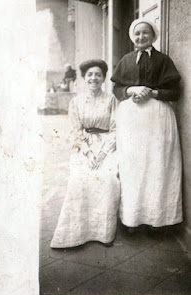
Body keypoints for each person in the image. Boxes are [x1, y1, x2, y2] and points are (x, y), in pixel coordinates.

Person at [111, 18, 183, 232]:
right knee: (133, 165)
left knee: (157, 164)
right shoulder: (125, 60)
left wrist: (152, 92)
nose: (141, 37)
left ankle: (157, 220)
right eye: (137, 34)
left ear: (153, 36)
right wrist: (131, 90)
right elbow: (117, 89)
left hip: (158, 119)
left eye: (146, 33)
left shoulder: (163, 60)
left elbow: (175, 92)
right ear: (132, 37)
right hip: (132, 120)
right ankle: (132, 218)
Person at [50, 59, 120, 248]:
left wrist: (103, 154)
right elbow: (76, 131)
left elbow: (115, 129)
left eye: (98, 75)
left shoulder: (111, 100)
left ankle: (103, 232)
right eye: (90, 75)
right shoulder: (76, 102)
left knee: (108, 178)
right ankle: (77, 232)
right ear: (84, 78)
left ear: (103, 78)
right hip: (84, 147)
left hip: (106, 147)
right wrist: (89, 154)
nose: (94, 78)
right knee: (79, 178)